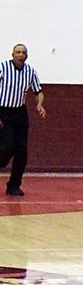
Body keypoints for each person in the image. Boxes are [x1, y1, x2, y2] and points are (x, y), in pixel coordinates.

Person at [0, 43, 46, 197]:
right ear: (12, 54)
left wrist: (39, 104)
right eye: (18, 52)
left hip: (20, 112)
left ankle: (13, 185)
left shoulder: (30, 71)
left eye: (23, 52)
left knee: (21, 151)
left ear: (27, 55)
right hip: (3, 111)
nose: (20, 55)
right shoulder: (3, 67)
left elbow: (38, 91)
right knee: (7, 148)